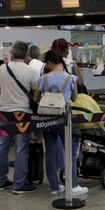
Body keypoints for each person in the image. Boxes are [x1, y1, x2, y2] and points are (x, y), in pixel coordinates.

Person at [35, 49, 87, 196]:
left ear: (49, 62)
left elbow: (36, 99)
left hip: (47, 118)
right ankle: (72, 185)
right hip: (64, 117)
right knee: (69, 152)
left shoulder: (43, 78)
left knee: (50, 153)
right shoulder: (70, 78)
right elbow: (75, 98)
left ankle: (54, 187)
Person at [0, 41, 38, 193]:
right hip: (22, 113)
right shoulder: (31, 71)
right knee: (21, 148)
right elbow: (35, 92)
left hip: (4, 111)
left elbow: (0, 86)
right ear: (26, 54)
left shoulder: (2, 68)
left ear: (12, 53)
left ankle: (0, 181)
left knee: (2, 146)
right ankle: (19, 184)